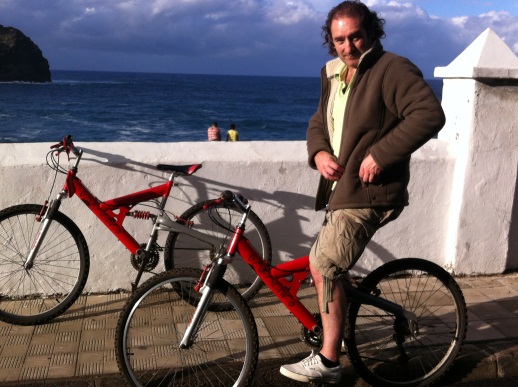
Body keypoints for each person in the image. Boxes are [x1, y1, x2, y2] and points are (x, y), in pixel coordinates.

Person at [279, 1, 445, 384]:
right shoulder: (333, 73)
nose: (348, 46)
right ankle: (341, 315)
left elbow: (429, 114)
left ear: (371, 32)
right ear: (330, 41)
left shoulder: (392, 69)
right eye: (339, 39)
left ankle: (330, 362)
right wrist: (319, 152)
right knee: (326, 270)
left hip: (370, 192)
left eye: (355, 36)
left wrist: (381, 155)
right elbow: (320, 120)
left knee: (323, 267)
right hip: (341, 189)